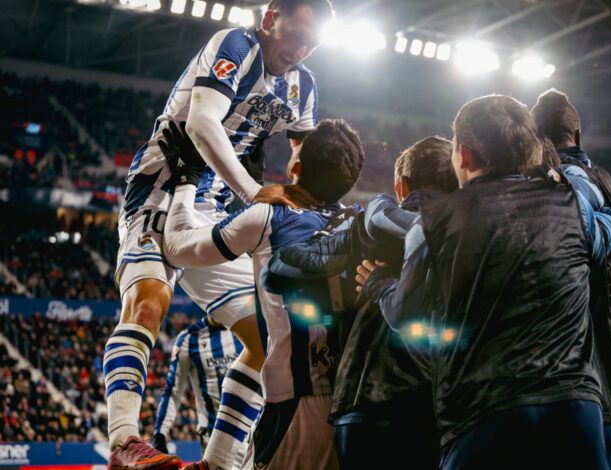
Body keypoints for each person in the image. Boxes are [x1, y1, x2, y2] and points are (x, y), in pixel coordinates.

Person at [359, 94, 611, 469]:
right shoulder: (574, 209)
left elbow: (404, 315)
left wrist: (380, 284)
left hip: (483, 413)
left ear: (463, 154)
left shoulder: (433, 221)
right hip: (574, 411)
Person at [104, 1, 333, 468]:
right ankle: (124, 442)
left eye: (312, 44)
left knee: (270, 337)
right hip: (163, 183)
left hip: (213, 205)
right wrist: (253, 190)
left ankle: (220, 461)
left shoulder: (303, 85)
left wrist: (312, 194)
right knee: (148, 303)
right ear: (270, 18)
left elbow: (305, 154)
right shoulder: (235, 45)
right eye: (296, 36)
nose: (301, 50)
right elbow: (201, 122)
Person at [161, 118, 365, 470]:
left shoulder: (270, 217)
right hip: (354, 404)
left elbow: (177, 247)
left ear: (296, 168)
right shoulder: (361, 221)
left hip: (298, 407)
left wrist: (186, 179)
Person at [264, 136, 457, 469]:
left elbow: (278, 271)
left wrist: (334, 230)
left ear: (401, 186)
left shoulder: (364, 229)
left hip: (363, 403)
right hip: (443, 407)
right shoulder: (471, 235)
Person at [532, 88, 611, 470]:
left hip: (569, 361)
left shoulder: (545, 182)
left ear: (535, 137)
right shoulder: (603, 180)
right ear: (576, 135)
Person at [150, 318, 246, 458]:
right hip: (213, 436)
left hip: (252, 433)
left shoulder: (248, 328)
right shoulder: (188, 339)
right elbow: (173, 391)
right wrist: (159, 434)